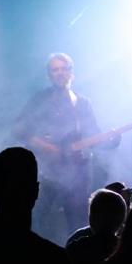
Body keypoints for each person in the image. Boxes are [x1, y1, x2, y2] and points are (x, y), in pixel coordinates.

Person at [13, 53, 119, 242]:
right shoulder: (40, 100)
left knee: (78, 225)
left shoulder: (83, 103)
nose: (60, 73)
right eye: (55, 69)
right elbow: (20, 129)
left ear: (72, 73)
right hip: (47, 173)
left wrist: (111, 140)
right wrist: (45, 146)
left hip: (78, 174)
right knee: (35, 219)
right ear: (50, 75)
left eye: (64, 69)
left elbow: (93, 135)